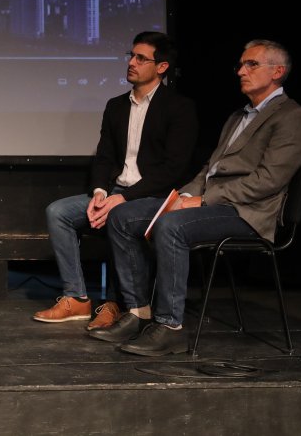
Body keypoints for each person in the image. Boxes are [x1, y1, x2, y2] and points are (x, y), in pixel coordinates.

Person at [91, 39, 301, 356]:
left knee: (172, 227)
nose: (240, 71)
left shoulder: (292, 117)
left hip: (248, 213)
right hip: (211, 202)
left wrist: (204, 201)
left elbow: (268, 181)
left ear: (277, 72)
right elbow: (210, 168)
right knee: (123, 216)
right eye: (240, 64)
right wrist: (184, 195)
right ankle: (138, 312)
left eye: (251, 65)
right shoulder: (239, 116)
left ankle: (170, 327)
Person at [32, 31, 198, 331]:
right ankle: (76, 298)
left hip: (153, 196)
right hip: (115, 190)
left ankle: (118, 304)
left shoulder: (178, 108)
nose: (131, 63)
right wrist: (99, 192)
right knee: (58, 212)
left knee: (120, 216)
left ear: (161, 67)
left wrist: (124, 197)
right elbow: (105, 157)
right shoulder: (116, 106)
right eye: (131, 56)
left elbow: (173, 170)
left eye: (140, 58)